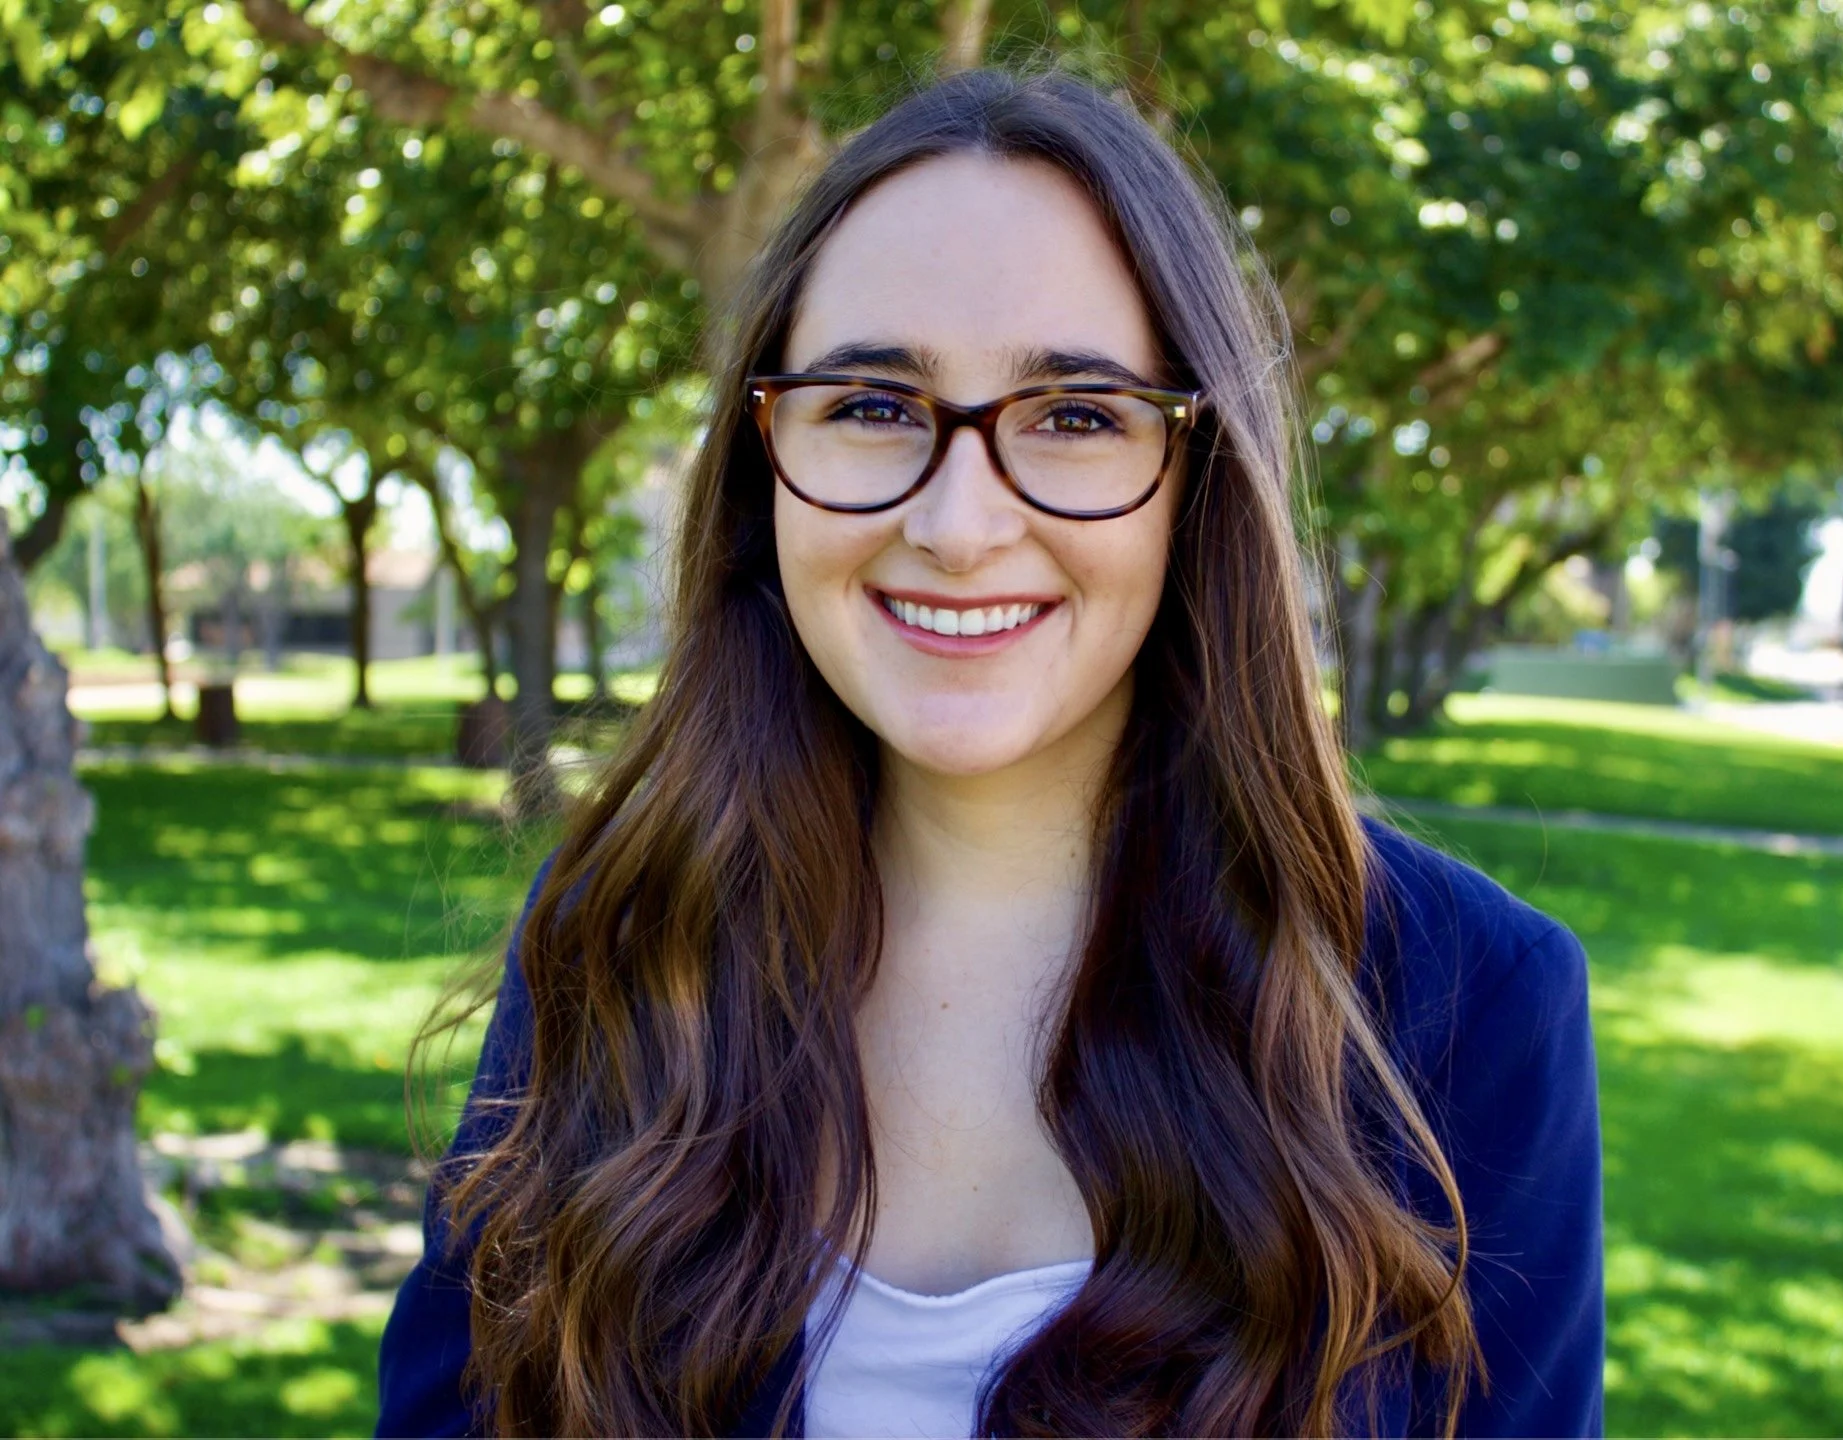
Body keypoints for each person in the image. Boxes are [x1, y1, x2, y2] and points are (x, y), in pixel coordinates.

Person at [376, 66, 1603, 1439]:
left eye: (1075, 417)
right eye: (875, 407)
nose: (961, 525)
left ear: (1197, 474)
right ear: (764, 460)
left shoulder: (1470, 1007)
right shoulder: (618, 933)